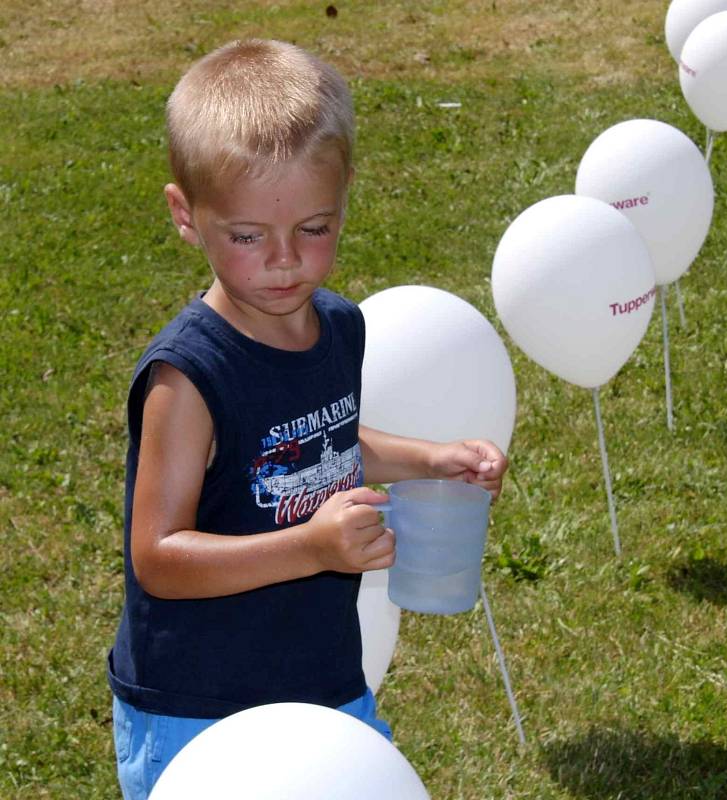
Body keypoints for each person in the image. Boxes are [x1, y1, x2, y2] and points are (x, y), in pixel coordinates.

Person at [107, 38, 508, 799]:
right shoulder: (188, 378)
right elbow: (158, 556)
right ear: (186, 216)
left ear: (345, 194)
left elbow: (315, 444)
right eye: (249, 237)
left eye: (314, 229)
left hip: (323, 682)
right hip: (201, 709)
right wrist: (312, 548)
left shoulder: (338, 328)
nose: (286, 260)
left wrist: (428, 459)